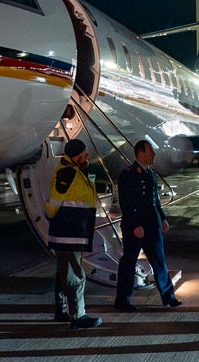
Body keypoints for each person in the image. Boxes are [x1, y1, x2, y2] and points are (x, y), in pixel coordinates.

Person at [115, 139, 180, 309]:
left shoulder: (150, 173)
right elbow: (126, 202)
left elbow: (154, 200)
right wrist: (135, 224)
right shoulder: (128, 174)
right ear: (141, 153)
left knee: (159, 261)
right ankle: (122, 300)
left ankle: (168, 296)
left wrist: (163, 217)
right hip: (135, 227)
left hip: (152, 225)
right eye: (151, 151)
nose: (154, 154)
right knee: (129, 262)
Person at [45, 138, 103, 329]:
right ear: (76, 155)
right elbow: (53, 203)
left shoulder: (76, 171)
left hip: (72, 232)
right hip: (68, 233)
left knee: (64, 274)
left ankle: (61, 311)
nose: (87, 155)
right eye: (84, 153)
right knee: (75, 275)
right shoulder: (67, 173)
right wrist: (54, 218)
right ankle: (78, 316)